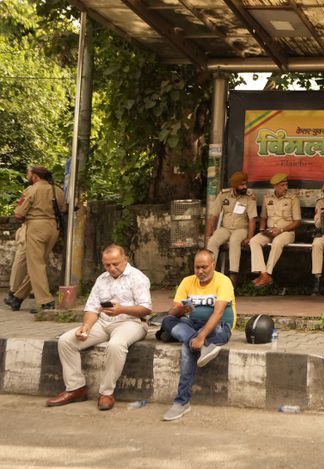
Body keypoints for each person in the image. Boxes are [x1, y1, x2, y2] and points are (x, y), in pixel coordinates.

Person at [45, 245, 151, 411]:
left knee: (116, 345)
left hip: (131, 322)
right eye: (107, 265)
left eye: (116, 264)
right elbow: (92, 308)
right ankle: (75, 388)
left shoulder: (138, 277)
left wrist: (121, 309)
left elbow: (146, 309)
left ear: (125, 259)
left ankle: (106, 393)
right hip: (103, 323)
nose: (111, 268)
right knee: (66, 340)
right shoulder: (102, 279)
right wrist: (86, 327)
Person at [160, 249, 235, 421]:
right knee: (167, 321)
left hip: (219, 327)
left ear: (213, 265)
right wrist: (181, 310)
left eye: (204, 267)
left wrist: (201, 337)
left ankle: (181, 402)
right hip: (192, 325)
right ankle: (199, 343)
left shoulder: (223, 281)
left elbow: (218, 313)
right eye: (197, 267)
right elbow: (173, 311)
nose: (200, 271)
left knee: (189, 349)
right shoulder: (187, 281)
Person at [5, 166, 65, 313]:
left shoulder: (31, 190)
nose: (27, 176)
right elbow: (63, 209)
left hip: (36, 227)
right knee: (37, 264)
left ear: (35, 176)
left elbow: (19, 214)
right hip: (54, 227)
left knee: (36, 265)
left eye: (29, 174)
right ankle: (18, 297)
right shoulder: (57, 190)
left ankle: (46, 302)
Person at [205, 171, 257, 286]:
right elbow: (214, 216)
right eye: (242, 185)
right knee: (213, 241)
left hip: (241, 229)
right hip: (225, 229)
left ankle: (233, 276)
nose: (245, 187)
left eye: (245, 184)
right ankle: (208, 274)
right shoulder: (224, 195)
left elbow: (252, 219)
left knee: (234, 241)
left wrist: (249, 237)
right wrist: (209, 235)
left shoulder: (249, 197)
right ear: (235, 185)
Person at [250, 172, 301, 288]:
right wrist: (262, 229)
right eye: (282, 185)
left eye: (286, 184)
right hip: (270, 231)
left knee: (277, 242)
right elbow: (263, 217)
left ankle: (267, 273)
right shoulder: (268, 198)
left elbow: (297, 222)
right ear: (275, 186)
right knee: (254, 241)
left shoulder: (293, 198)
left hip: (286, 232)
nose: (286, 188)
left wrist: (281, 230)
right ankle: (263, 274)